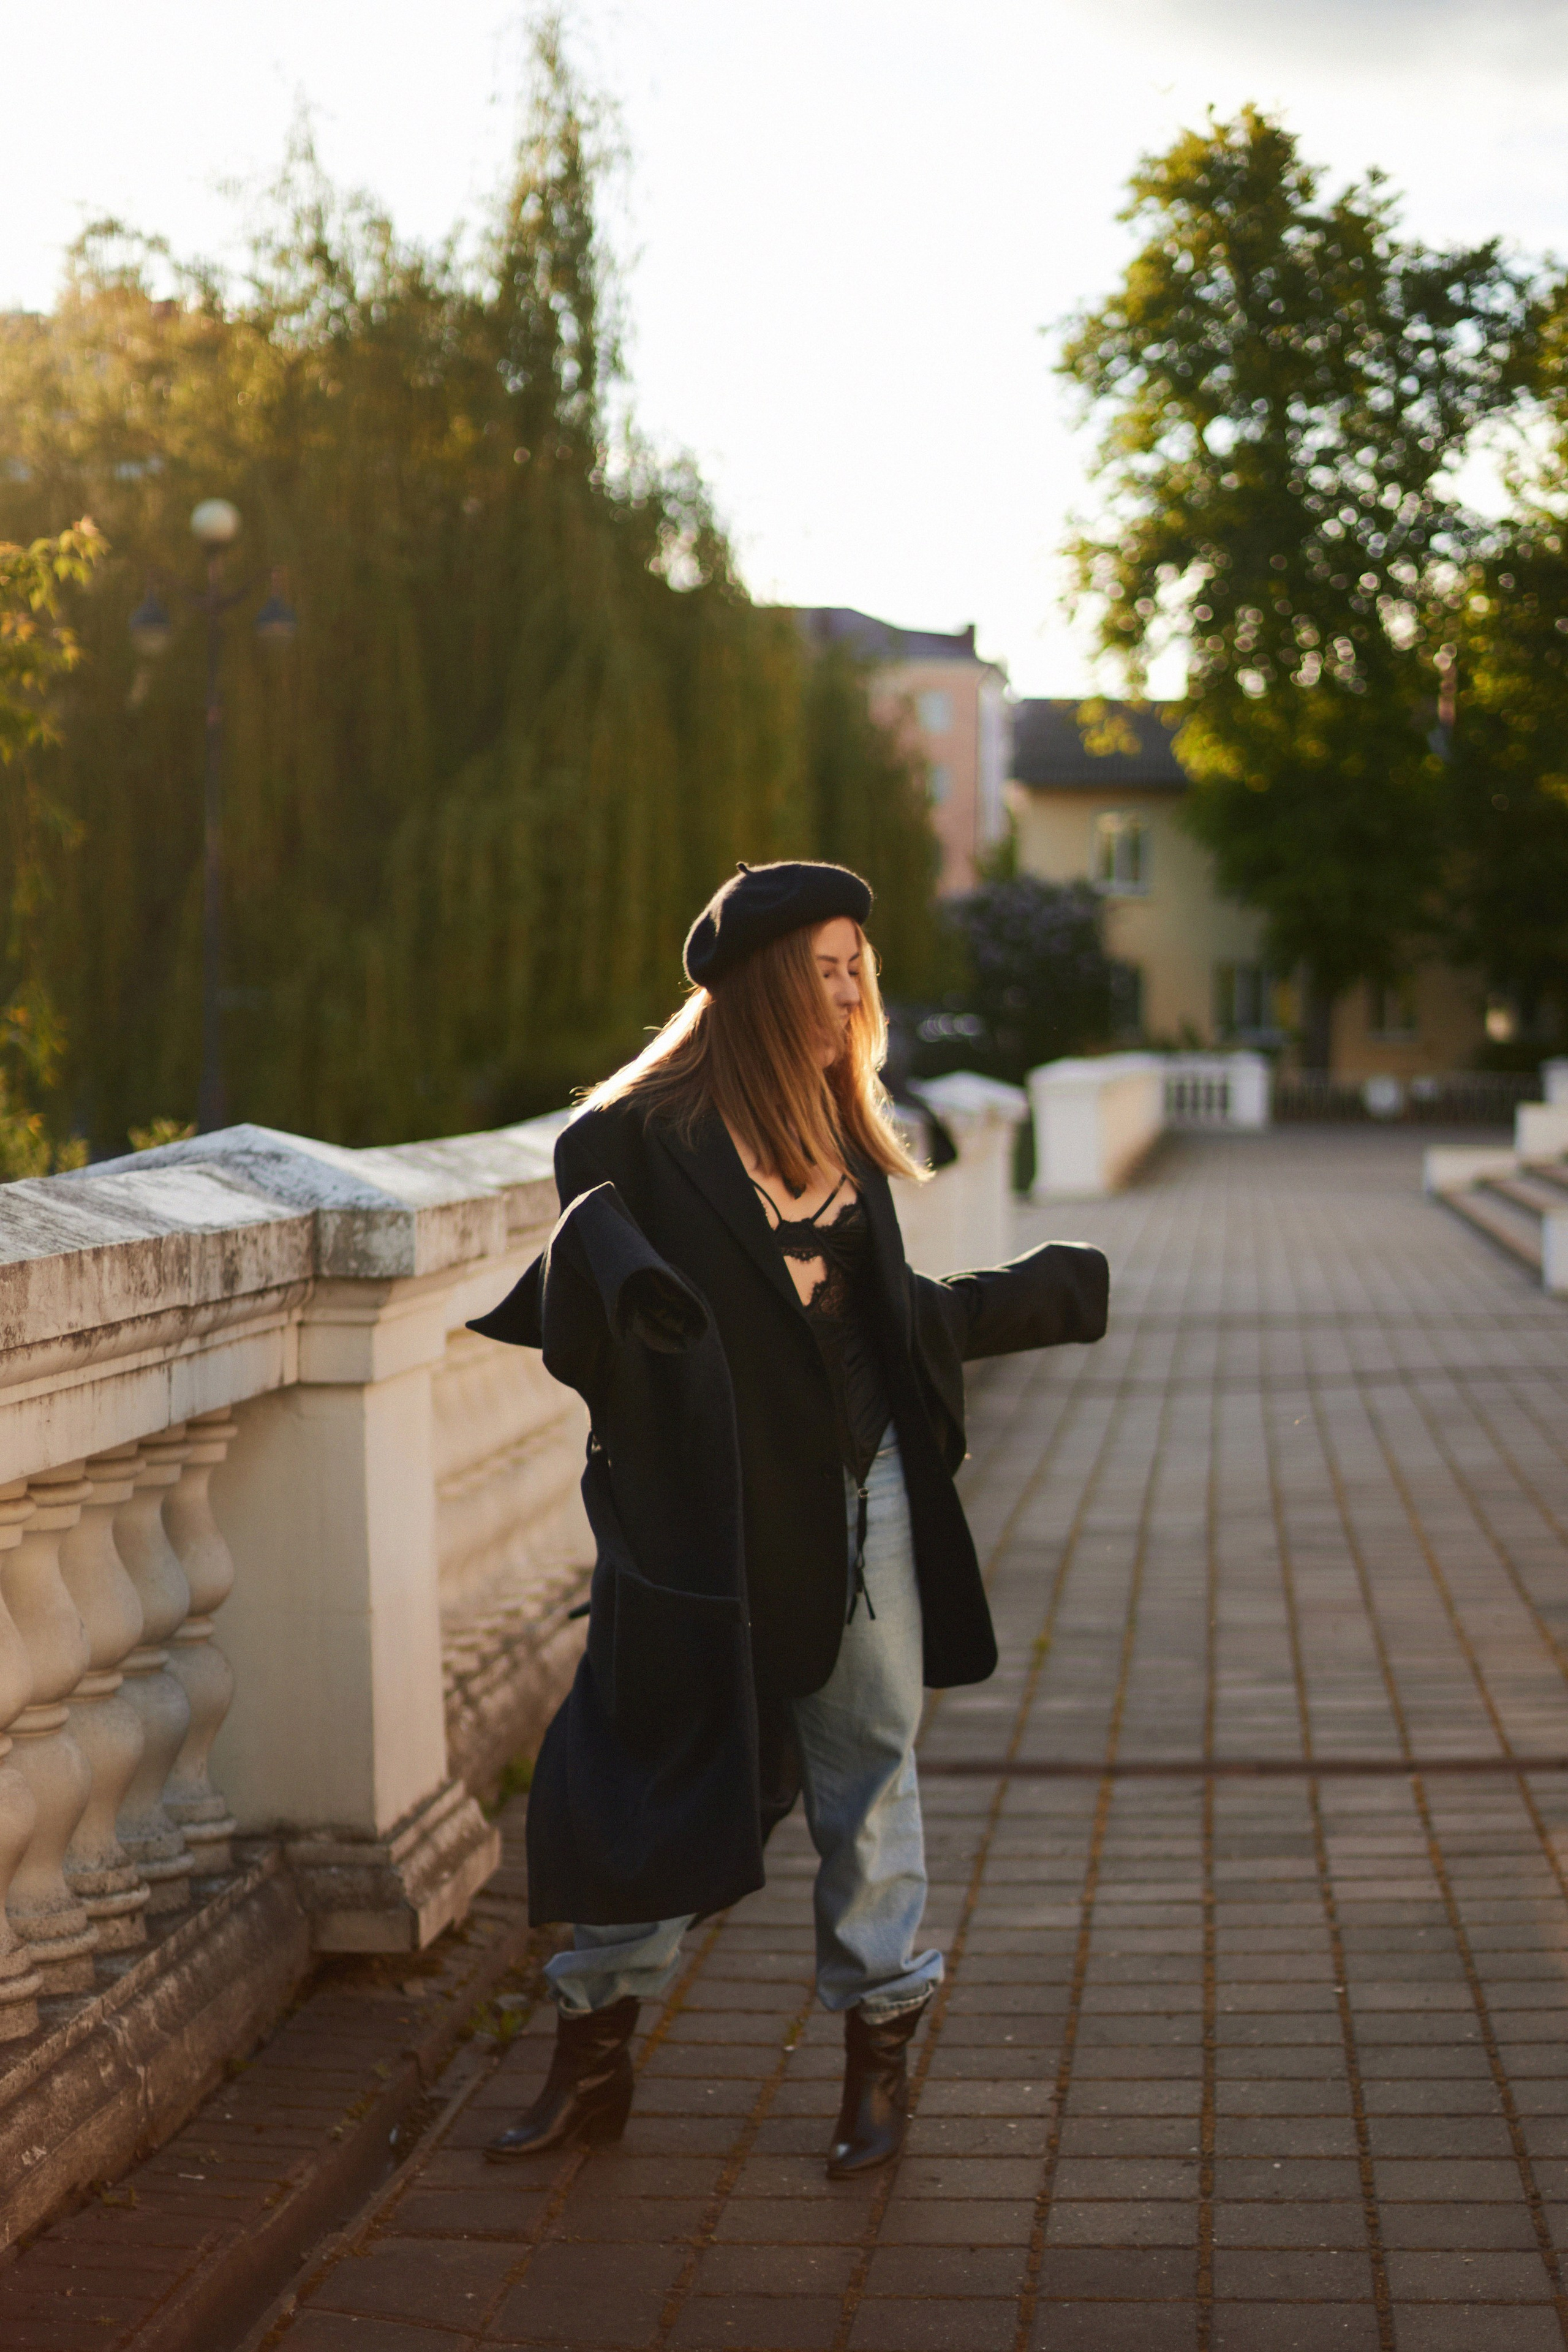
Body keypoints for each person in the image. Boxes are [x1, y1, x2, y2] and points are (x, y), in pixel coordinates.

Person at [470, 859, 1108, 2178]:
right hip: (707, 1527)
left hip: (866, 1496)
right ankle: (593, 2057)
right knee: (672, 1774)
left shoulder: (845, 1129)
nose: (851, 993)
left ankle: (877, 2059)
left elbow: (881, 1323)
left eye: (857, 969)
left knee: (868, 1768)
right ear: (762, 985)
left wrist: (1033, 1298)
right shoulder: (626, 1143)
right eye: (825, 971)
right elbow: (591, 1312)